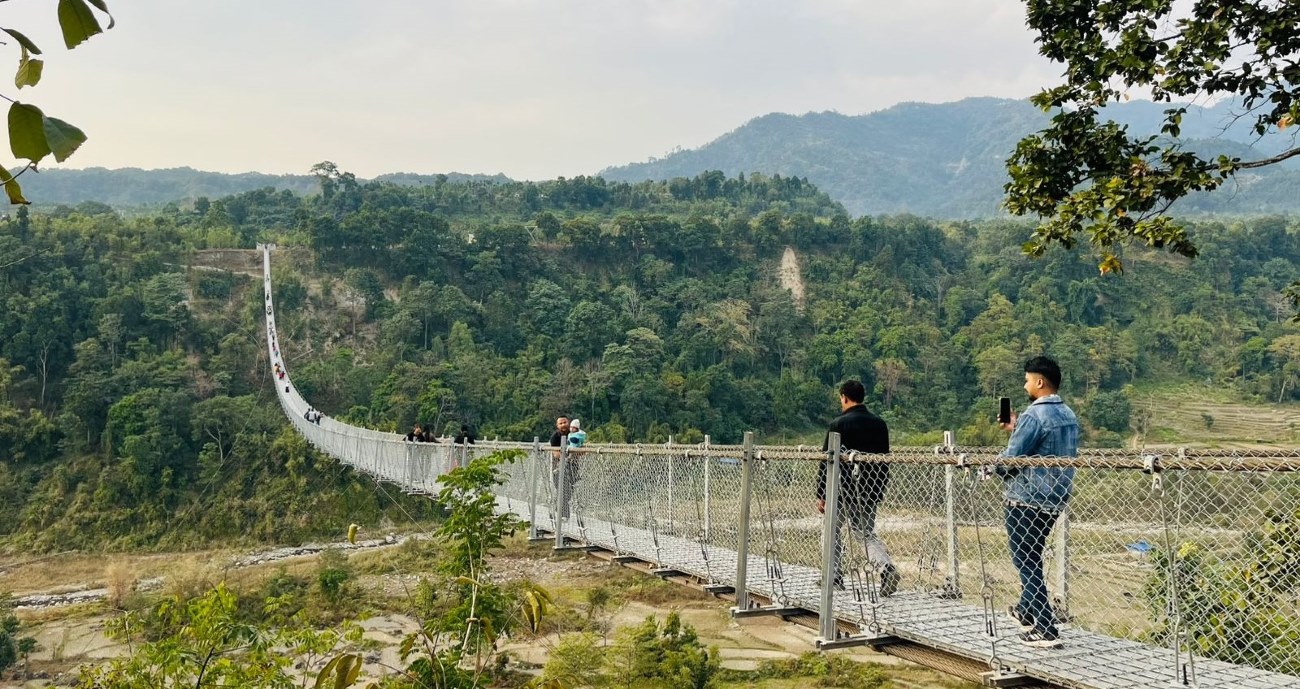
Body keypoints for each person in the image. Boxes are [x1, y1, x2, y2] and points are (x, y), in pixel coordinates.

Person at [997, 356, 1078, 649]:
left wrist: (995, 463)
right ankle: (1026, 610)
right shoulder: (1068, 413)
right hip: (1055, 498)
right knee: (1033, 553)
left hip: (1026, 499)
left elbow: (1010, 461)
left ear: (1040, 382)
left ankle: (1045, 628)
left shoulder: (1034, 415)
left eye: (1028, 379)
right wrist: (1017, 428)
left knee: (1025, 560)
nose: (1025, 384)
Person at [816, 379, 898, 595]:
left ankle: (833, 577)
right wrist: (878, 490)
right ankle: (885, 566)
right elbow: (884, 459)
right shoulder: (879, 424)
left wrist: (821, 494)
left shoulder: (838, 425)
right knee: (865, 534)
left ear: (844, 397)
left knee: (831, 530)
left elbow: (827, 461)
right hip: (869, 490)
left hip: (840, 491)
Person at [550, 416, 577, 518]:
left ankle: (560, 509)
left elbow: (579, 447)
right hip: (558, 468)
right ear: (557, 426)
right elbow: (555, 453)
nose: (563, 425)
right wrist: (567, 457)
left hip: (572, 468)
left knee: (569, 491)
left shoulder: (574, 434)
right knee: (562, 489)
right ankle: (564, 515)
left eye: (565, 422)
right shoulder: (555, 436)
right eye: (560, 423)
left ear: (568, 422)